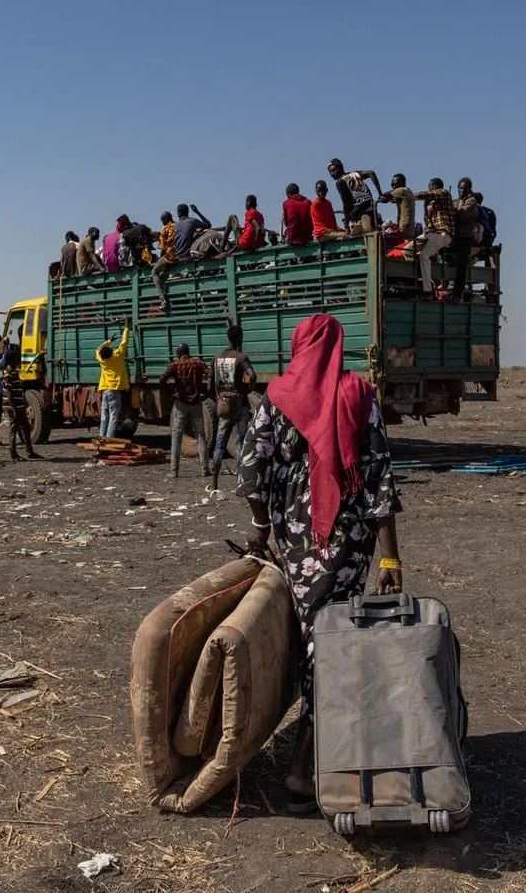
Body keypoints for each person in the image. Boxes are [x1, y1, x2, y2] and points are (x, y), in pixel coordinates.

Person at [238, 313, 402, 812]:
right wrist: (390, 556)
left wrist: (262, 527)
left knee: (315, 641)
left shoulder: (277, 397)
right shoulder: (359, 394)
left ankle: (312, 759)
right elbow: (379, 476)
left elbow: (250, 469)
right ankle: (305, 767)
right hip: (349, 545)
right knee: (333, 643)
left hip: (296, 544)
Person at [210, 324, 257, 490]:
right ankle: (239, 480)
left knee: (219, 444)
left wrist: (218, 398)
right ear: (240, 339)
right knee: (240, 444)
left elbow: (210, 384)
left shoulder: (217, 358)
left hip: (223, 406)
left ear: (228, 338)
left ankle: (214, 481)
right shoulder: (241, 358)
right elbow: (252, 376)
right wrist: (245, 390)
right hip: (240, 406)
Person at [159, 343, 211, 478]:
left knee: (177, 435)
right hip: (196, 403)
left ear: (178, 353)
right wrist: (206, 392)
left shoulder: (174, 365)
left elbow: (162, 379)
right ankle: (205, 468)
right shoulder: (197, 363)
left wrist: (171, 393)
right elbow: (210, 373)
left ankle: (174, 470)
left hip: (180, 403)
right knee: (201, 435)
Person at [411, 178, 456, 293]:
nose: (429, 188)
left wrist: (410, 195)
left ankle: (427, 289)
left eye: (431, 186)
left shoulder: (444, 194)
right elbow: (428, 221)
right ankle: (419, 277)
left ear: (436, 186)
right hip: (431, 234)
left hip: (444, 234)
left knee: (424, 255)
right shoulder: (428, 203)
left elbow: (430, 194)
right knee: (407, 250)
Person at [327, 158, 382, 234]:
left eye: (334, 170)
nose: (332, 174)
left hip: (359, 213)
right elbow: (371, 173)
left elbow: (346, 203)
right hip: (371, 208)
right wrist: (380, 194)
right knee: (374, 229)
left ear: (340, 168)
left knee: (363, 233)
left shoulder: (340, 182)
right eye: (330, 172)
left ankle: (356, 226)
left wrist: (346, 225)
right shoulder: (354, 174)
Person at [97, 319, 131, 438]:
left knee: (104, 417)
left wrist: (108, 341)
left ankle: (101, 439)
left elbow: (98, 349)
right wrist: (126, 327)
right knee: (113, 417)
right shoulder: (118, 356)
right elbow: (124, 342)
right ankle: (109, 440)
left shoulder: (102, 360)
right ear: (112, 352)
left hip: (105, 391)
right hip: (115, 391)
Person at [4, 360, 41, 460]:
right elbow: (9, 393)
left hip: (20, 407)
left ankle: (30, 452)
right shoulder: (8, 376)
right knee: (13, 430)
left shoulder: (15, 374)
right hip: (14, 408)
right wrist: (13, 407)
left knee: (26, 429)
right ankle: (13, 454)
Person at [450, 178, 481, 301]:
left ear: (469, 189)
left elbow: (461, 215)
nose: (462, 190)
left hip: (465, 237)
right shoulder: (456, 201)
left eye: (465, 188)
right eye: (460, 188)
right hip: (454, 237)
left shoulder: (471, 201)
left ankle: (457, 294)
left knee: (461, 267)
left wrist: (451, 211)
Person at [378, 173, 417, 240]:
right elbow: (389, 199)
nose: (393, 186)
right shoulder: (406, 192)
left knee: (381, 238)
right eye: (391, 185)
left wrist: (383, 197)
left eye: (394, 184)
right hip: (408, 229)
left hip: (404, 228)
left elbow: (383, 196)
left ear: (401, 183)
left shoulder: (402, 190)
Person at [151, 211, 177, 305]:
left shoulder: (165, 228)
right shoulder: (177, 225)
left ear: (165, 219)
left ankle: (162, 299)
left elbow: (163, 248)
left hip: (170, 256)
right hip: (180, 254)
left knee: (154, 272)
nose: (162, 222)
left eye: (162, 220)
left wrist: (160, 261)